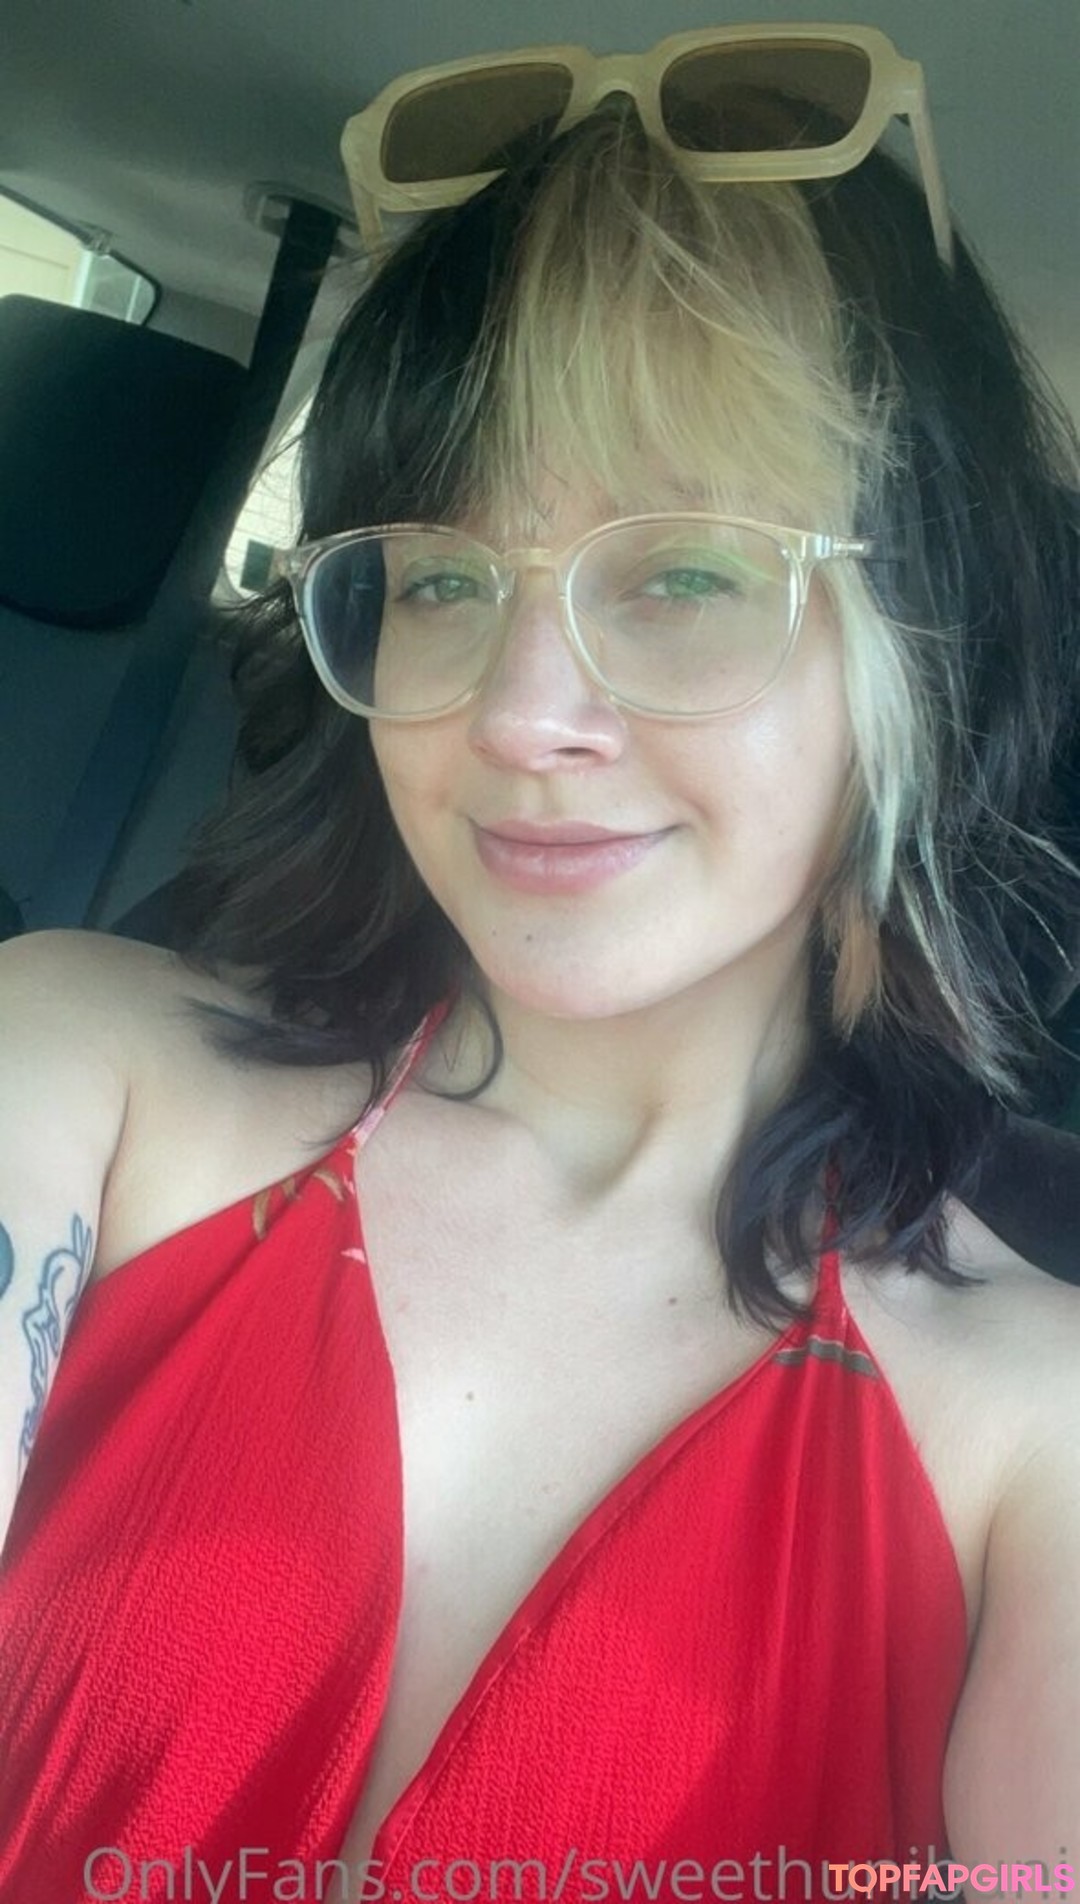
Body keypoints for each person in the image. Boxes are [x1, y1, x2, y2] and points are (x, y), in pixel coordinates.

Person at [2, 31, 1080, 1904]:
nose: (516, 715)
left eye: (685, 573)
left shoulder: (1034, 1439)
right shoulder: (73, 1065)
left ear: (920, 641)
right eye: (441, 577)